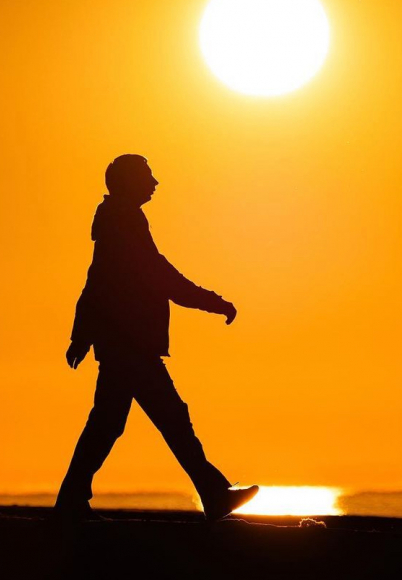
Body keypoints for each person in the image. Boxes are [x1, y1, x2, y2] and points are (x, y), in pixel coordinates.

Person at [55, 154, 258, 521]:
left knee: (109, 423)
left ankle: (71, 501)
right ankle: (214, 494)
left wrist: (81, 336)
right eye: (147, 176)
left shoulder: (118, 220)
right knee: (170, 419)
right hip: (130, 345)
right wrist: (213, 302)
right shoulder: (124, 220)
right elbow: (156, 275)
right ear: (129, 181)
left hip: (123, 344)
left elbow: (96, 281)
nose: (155, 182)